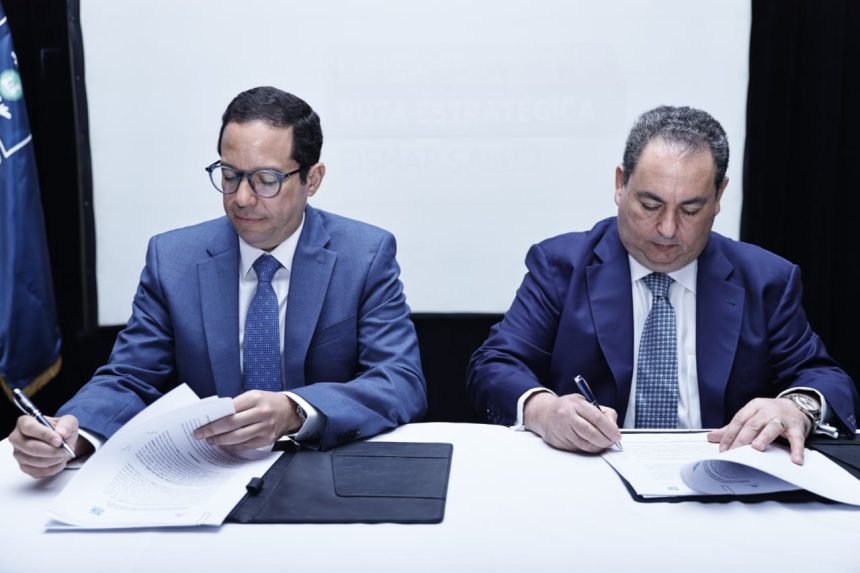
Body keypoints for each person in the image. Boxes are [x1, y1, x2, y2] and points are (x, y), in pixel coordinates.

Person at [10, 86, 427, 477]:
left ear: (312, 179)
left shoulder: (364, 256)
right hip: (206, 474)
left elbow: (399, 381)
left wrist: (295, 410)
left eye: (266, 180)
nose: (242, 198)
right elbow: (130, 377)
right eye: (230, 175)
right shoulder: (173, 259)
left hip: (323, 469)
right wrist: (72, 433)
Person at [468, 105, 858, 464]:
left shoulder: (765, 279)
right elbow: (495, 364)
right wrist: (543, 410)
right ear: (620, 184)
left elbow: (826, 379)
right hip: (594, 471)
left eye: (691, 209)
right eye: (650, 205)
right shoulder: (562, 266)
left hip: (721, 475)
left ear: (719, 196)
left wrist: (796, 408)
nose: (668, 229)